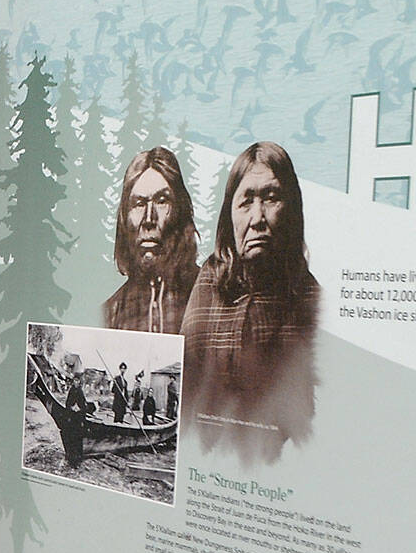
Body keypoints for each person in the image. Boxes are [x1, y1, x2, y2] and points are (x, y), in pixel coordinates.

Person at [182, 141, 321, 462]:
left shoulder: (309, 298)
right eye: (246, 201)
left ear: (292, 209)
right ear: (230, 216)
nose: (258, 218)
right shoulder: (208, 285)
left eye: (271, 198)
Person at [103, 146, 201, 335]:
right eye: (139, 204)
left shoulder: (210, 301)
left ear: (180, 212)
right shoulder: (110, 313)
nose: (149, 219)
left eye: (162, 201)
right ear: (125, 217)